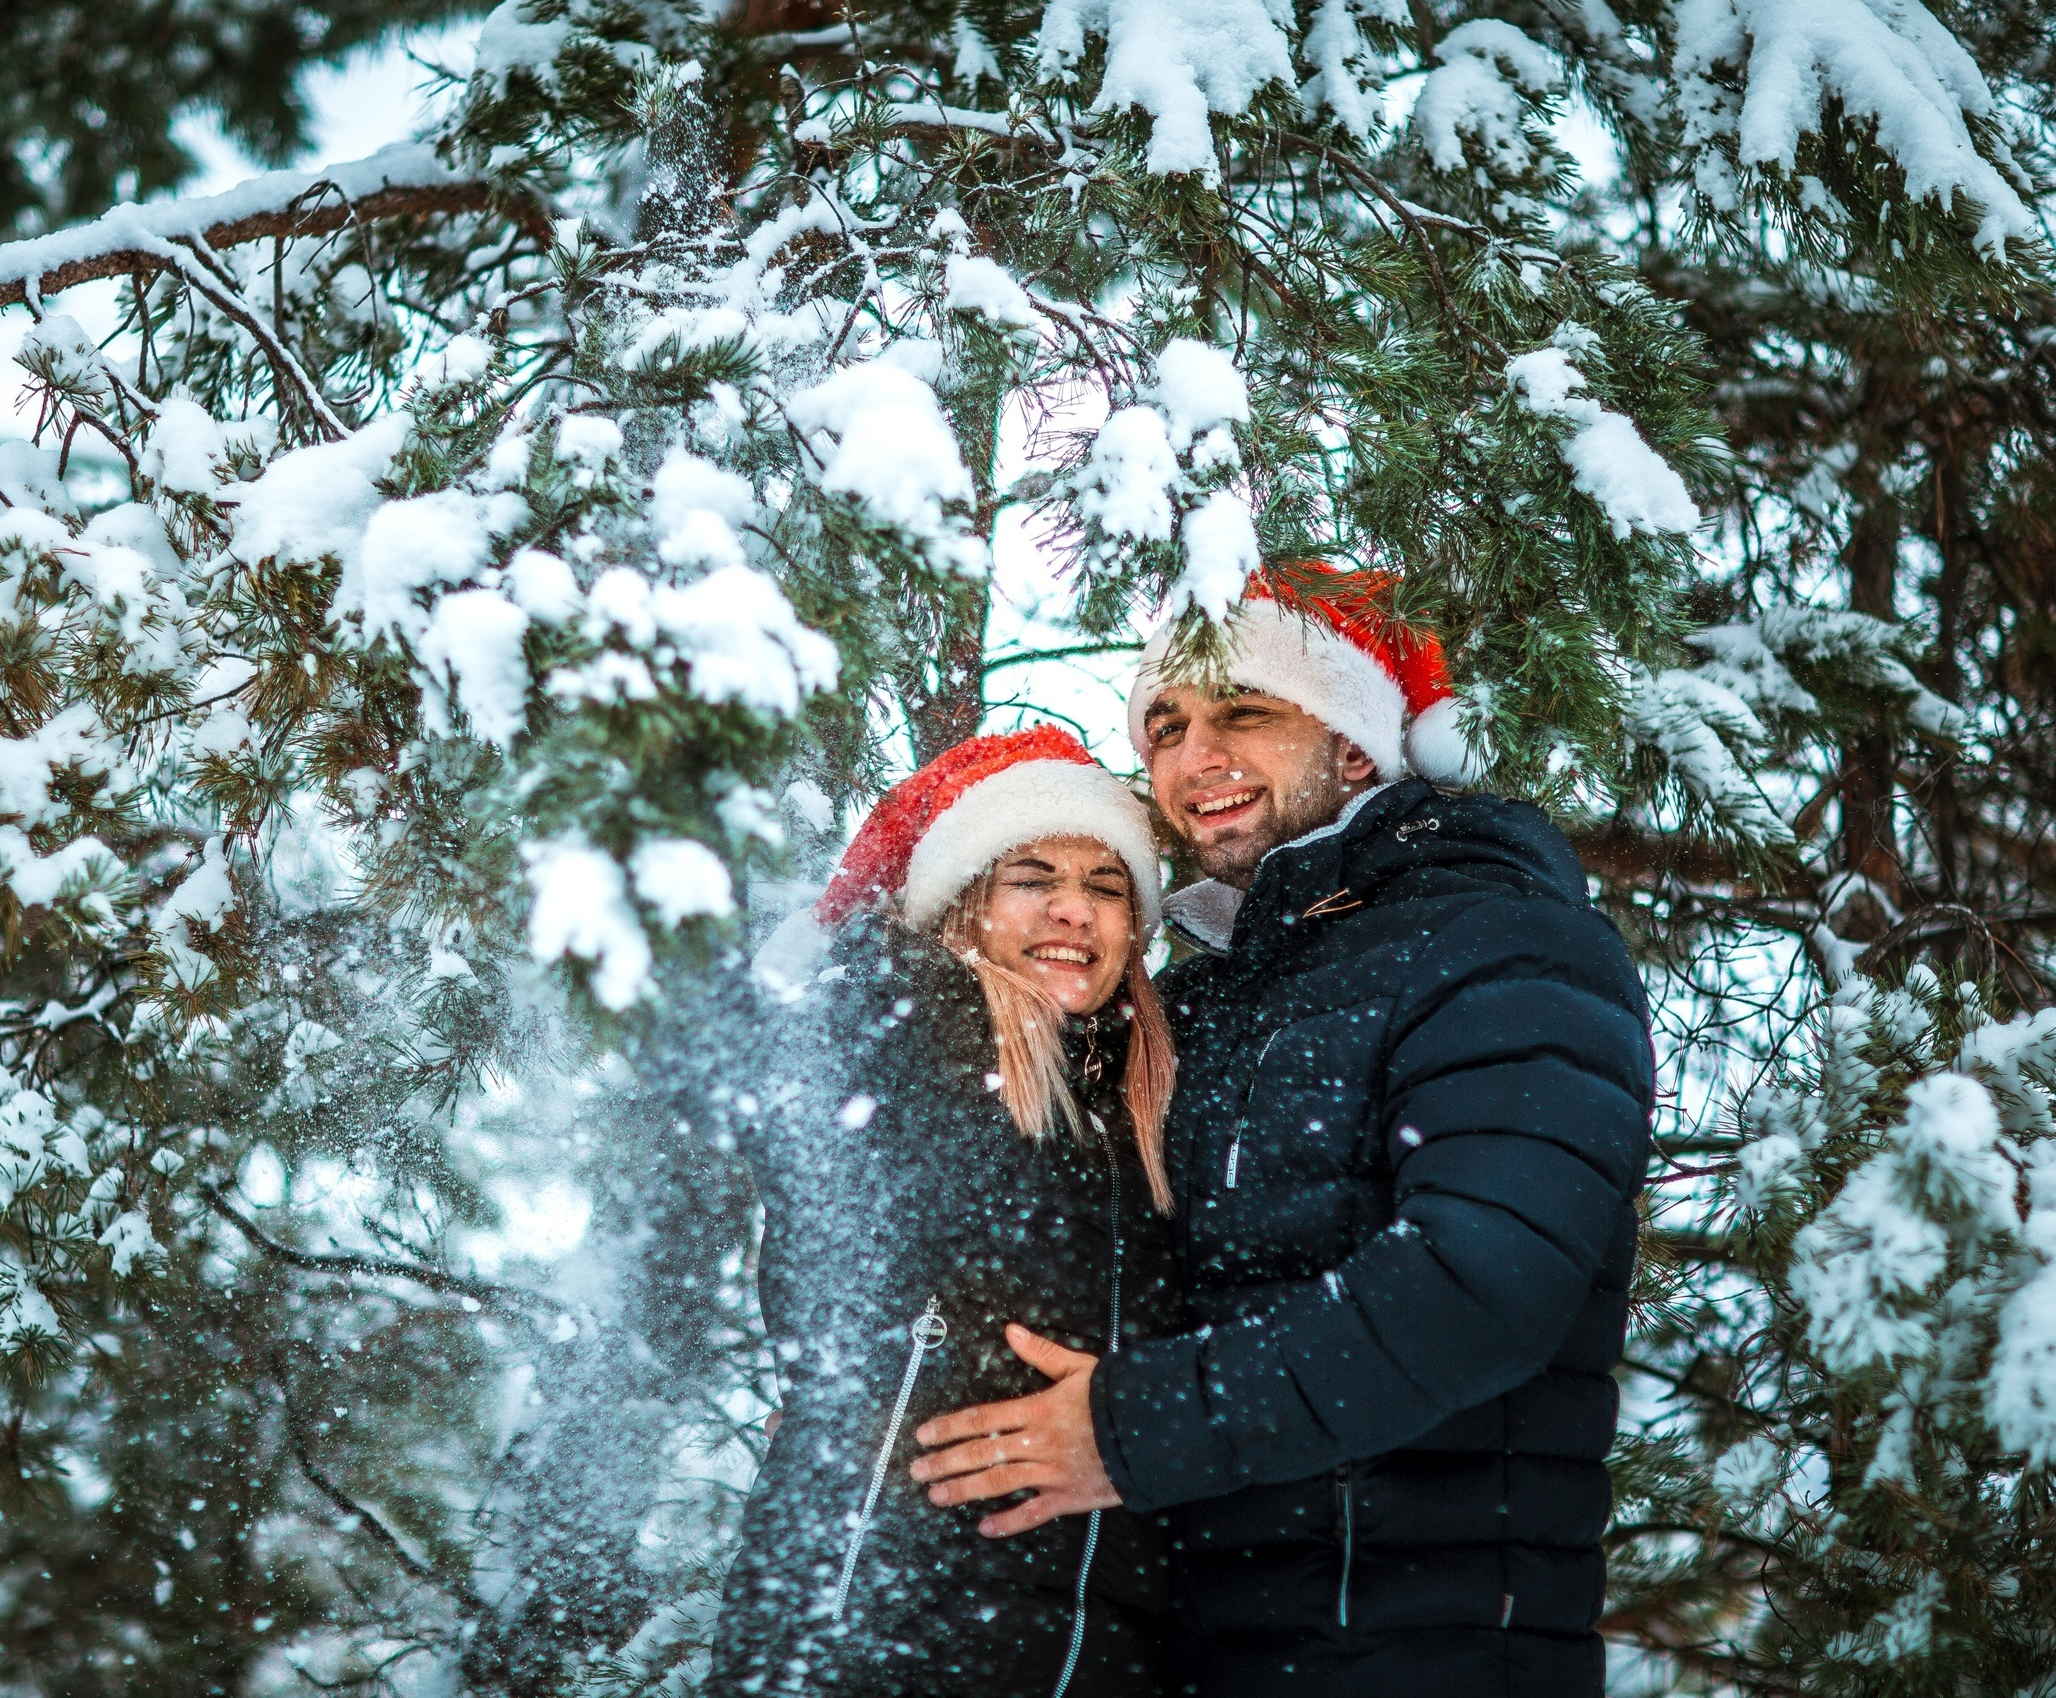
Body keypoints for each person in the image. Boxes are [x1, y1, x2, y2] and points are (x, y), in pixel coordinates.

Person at [907, 573, 1655, 1697]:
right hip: (1192, 1655)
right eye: (1165, 727)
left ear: (1353, 746)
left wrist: (1134, 1429)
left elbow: (1481, 1284)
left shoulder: (1498, 940)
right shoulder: (1199, 1004)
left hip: (1421, 1656)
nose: (1194, 755)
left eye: (1242, 711)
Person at [708, 725, 1184, 1698]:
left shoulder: (1133, 1102)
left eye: (1106, 887)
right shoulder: (903, 1032)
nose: (1072, 908)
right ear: (961, 904)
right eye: (1031, 878)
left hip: (1097, 1633)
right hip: (881, 1623)